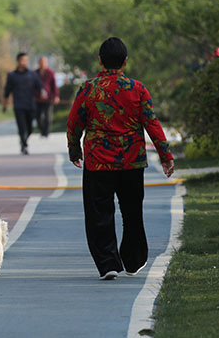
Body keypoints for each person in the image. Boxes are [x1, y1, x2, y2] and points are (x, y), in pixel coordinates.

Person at [66, 37, 175, 281]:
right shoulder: (137, 89)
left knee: (99, 214)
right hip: (131, 162)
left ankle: (108, 263)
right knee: (132, 212)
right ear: (125, 61)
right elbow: (152, 124)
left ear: (100, 61)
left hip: (98, 163)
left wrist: (75, 151)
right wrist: (165, 155)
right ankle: (133, 260)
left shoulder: (88, 89)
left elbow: (74, 123)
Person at [2, 52, 43, 155]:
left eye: (26, 60)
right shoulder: (12, 75)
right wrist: (4, 104)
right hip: (19, 106)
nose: (25, 62)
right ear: (18, 61)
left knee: (30, 128)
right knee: (22, 127)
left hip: (31, 105)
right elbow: (7, 91)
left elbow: (40, 86)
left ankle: (23, 140)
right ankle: (24, 146)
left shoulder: (32, 75)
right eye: (23, 60)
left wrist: (44, 92)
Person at [35, 56, 60, 138]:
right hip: (37, 98)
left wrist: (56, 96)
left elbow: (54, 86)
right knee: (37, 116)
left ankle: (46, 132)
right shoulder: (35, 73)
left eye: (44, 62)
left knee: (47, 116)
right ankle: (42, 130)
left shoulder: (50, 73)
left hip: (48, 98)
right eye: (41, 62)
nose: (42, 64)